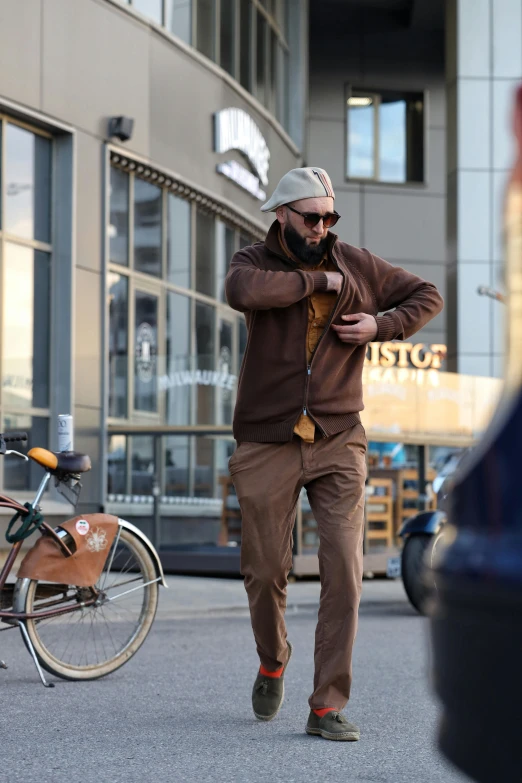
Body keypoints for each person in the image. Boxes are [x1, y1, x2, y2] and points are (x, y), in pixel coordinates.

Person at [225, 167, 443, 741]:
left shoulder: (358, 263)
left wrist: (382, 325)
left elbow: (428, 295)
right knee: (265, 570)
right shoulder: (252, 261)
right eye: (310, 217)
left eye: (329, 217)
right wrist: (315, 285)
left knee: (345, 568)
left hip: (339, 437)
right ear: (281, 215)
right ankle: (273, 659)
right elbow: (242, 294)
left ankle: (326, 705)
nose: (322, 228)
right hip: (266, 438)